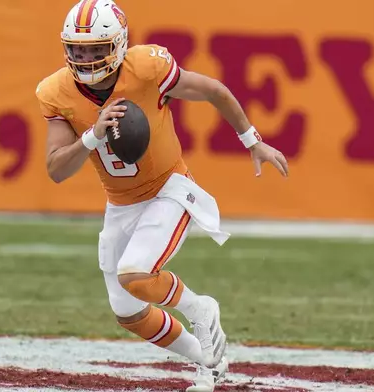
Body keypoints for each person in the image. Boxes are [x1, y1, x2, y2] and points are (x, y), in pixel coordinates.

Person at [36, 1, 288, 390]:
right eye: (78, 49)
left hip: (168, 189)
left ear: (118, 45)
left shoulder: (148, 67)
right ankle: (208, 359)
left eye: (96, 49)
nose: (86, 59)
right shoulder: (56, 92)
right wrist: (92, 135)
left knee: (136, 274)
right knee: (129, 311)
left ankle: (199, 307)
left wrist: (252, 140)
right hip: (120, 203)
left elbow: (214, 90)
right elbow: (56, 171)